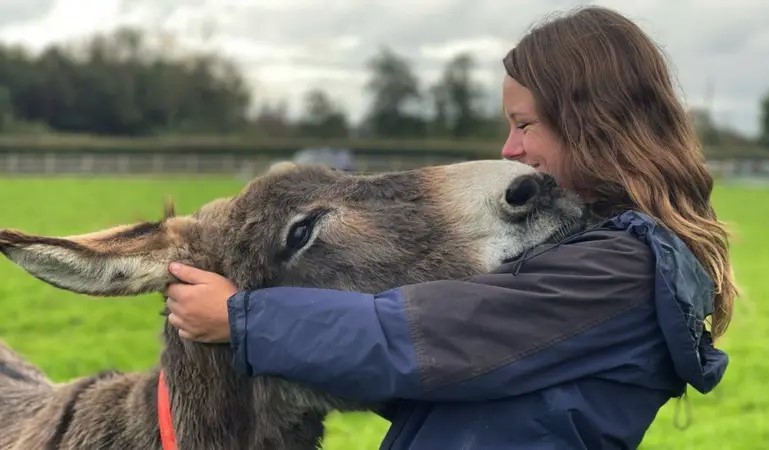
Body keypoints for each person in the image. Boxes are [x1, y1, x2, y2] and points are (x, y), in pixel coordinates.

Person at [164, 6, 737, 449]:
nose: (510, 149)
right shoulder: (603, 258)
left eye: (524, 125)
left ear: (594, 125)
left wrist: (242, 320)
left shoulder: (618, 272)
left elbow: (408, 341)